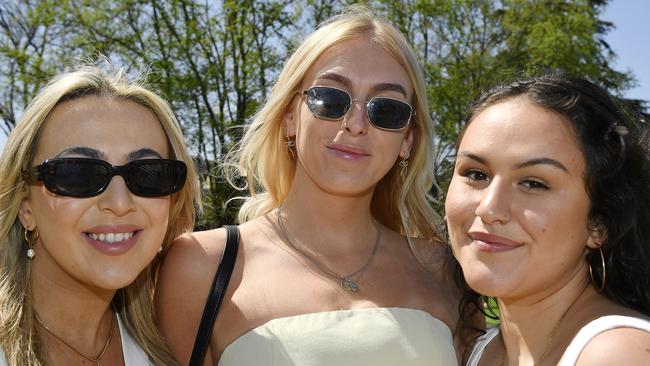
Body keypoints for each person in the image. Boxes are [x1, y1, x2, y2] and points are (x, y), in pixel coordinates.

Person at [157, 8, 479, 366]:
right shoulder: (203, 265)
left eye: (386, 110)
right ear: (291, 116)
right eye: (331, 98)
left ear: (408, 139)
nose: (356, 124)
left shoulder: (445, 270)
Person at [0, 63, 200, 365]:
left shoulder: (174, 348)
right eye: (78, 173)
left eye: (148, 174)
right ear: (25, 207)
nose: (119, 203)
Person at [445, 74, 650, 365]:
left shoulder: (618, 354)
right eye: (476, 174)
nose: (489, 208)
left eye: (533, 183)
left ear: (599, 222)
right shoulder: (486, 351)